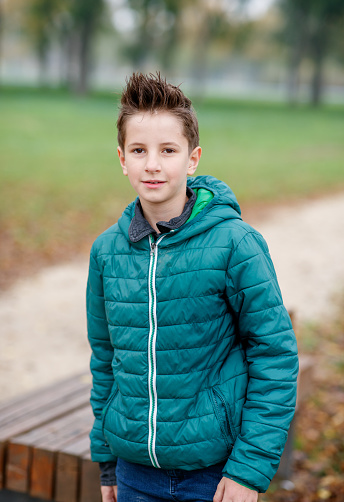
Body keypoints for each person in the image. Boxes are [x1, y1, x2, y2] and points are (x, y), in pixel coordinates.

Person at [87, 72, 299, 502]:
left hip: (215, 475)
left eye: (168, 150)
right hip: (134, 474)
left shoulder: (235, 243)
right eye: (139, 150)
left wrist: (248, 471)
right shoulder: (107, 252)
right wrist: (107, 461)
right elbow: (106, 359)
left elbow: (274, 356)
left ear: (193, 158)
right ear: (122, 158)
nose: (152, 164)